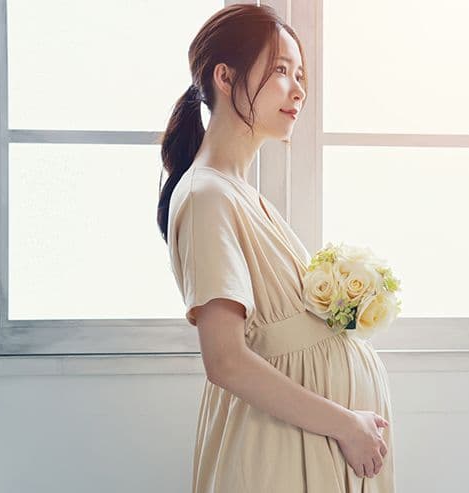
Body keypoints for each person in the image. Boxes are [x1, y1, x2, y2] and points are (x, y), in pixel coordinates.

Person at [155, 4, 395, 492]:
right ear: (225, 76)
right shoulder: (207, 196)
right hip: (278, 450)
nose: (298, 89)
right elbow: (225, 360)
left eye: (300, 74)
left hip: (307, 443)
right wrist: (346, 424)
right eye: (281, 70)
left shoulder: (240, 193)